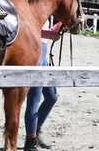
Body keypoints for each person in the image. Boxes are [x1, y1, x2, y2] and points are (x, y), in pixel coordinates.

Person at [24, 21, 63, 151]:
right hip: (35, 52)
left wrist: (59, 26)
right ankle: (30, 142)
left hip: (44, 55)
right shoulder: (32, 2)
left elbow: (45, 29)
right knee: (34, 99)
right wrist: (49, 34)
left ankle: (35, 131)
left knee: (52, 96)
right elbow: (28, 28)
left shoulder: (47, 10)